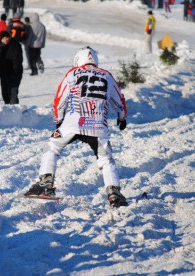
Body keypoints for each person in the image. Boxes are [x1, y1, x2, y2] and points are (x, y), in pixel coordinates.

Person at [24, 46, 128, 208]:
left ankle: (45, 183)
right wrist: (122, 117)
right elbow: (119, 100)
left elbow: (60, 98)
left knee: (52, 147)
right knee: (106, 159)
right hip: (98, 125)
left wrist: (58, 119)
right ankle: (114, 194)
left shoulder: (73, 73)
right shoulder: (107, 76)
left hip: (73, 123)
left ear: (78, 59)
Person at [0, 31, 23, 105]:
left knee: (13, 95)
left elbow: (18, 60)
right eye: (4, 38)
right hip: (3, 74)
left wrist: (15, 71)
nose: (6, 39)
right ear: (1, 39)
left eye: (7, 37)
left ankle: (15, 111)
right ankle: (8, 111)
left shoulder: (15, 45)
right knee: (5, 94)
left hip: (14, 74)